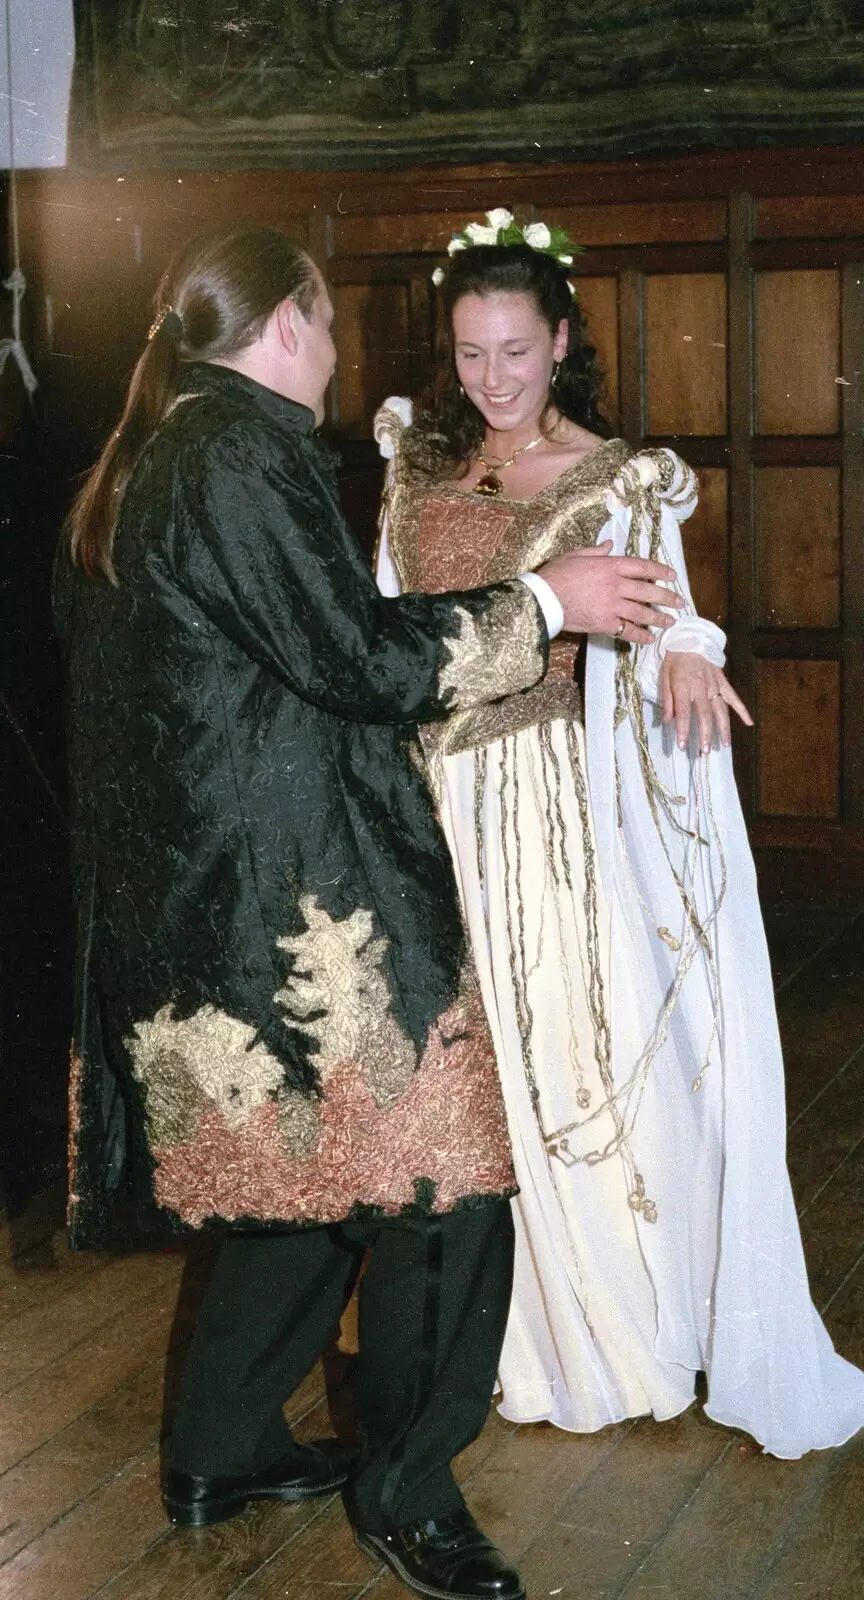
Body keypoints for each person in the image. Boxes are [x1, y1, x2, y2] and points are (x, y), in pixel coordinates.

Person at [54, 224, 683, 1600]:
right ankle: (408, 1489)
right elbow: (359, 661)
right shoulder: (231, 457)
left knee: (306, 1186)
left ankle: (218, 1448)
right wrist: (545, 600)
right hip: (300, 904)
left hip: (210, 897)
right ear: (288, 324)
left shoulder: (175, 451)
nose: (341, 352)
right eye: (332, 325)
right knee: (446, 1193)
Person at [372, 209, 864, 1454]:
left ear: (559, 343)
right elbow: (383, 627)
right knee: (450, 1070)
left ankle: (596, 1327)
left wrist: (679, 653)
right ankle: (464, 1328)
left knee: (555, 1057)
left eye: (513, 350)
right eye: (468, 354)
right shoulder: (415, 464)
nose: (491, 378)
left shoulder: (615, 476)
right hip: (420, 804)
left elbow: (667, 610)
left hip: (542, 809)